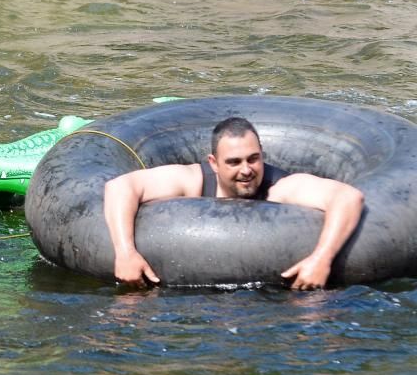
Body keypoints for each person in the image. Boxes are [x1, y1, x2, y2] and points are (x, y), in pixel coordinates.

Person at [104, 116, 365, 290]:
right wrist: (125, 252)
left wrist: (322, 259)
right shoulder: (193, 181)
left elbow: (348, 197)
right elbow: (120, 186)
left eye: (253, 159)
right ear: (214, 163)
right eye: (234, 162)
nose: (246, 170)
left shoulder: (280, 188)